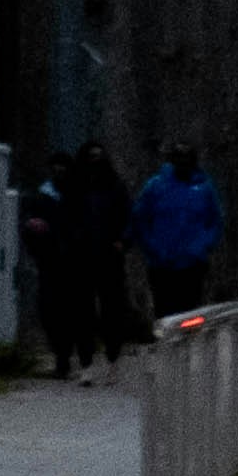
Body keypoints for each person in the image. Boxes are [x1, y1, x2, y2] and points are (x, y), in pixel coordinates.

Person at [70, 144, 143, 375]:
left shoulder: (114, 186)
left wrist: (122, 241)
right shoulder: (76, 188)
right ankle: (86, 361)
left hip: (109, 255)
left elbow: (128, 217)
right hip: (83, 256)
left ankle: (112, 356)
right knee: (84, 311)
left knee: (111, 309)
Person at [23, 154, 97, 380]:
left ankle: (84, 361)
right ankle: (62, 359)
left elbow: (90, 227)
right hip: (51, 263)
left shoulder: (80, 196)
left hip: (77, 265)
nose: (59, 172)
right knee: (52, 312)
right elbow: (29, 225)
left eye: (63, 168)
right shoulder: (43, 197)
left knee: (79, 313)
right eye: (55, 168)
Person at [135, 142, 228, 316]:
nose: (183, 161)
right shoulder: (156, 186)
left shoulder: (203, 188)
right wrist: (153, 249)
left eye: (187, 157)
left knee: (190, 316)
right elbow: (140, 219)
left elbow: (215, 221)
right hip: (161, 265)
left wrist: (200, 248)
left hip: (191, 265)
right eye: (179, 157)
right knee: (165, 317)